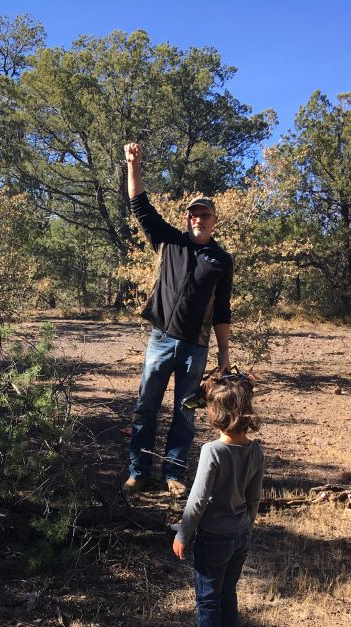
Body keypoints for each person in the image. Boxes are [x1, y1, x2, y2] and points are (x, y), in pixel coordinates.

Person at [122, 142, 233, 498]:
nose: (199, 219)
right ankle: (138, 471)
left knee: (184, 413)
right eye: (194, 214)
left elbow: (222, 310)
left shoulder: (221, 260)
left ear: (215, 220)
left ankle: (173, 473)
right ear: (188, 219)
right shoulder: (170, 241)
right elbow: (139, 205)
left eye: (205, 215)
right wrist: (133, 165)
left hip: (195, 348)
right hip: (161, 339)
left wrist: (224, 356)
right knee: (145, 408)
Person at [172, 373, 263, 627]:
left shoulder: (213, 451)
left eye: (209, 408)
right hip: (240, 535)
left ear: (218, 414)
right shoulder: (255, 450)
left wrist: (183, 533)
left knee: (208, 599)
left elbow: (198, 499)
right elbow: (254, 497)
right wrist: (245, 525)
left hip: (214, 537)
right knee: (227, 594)